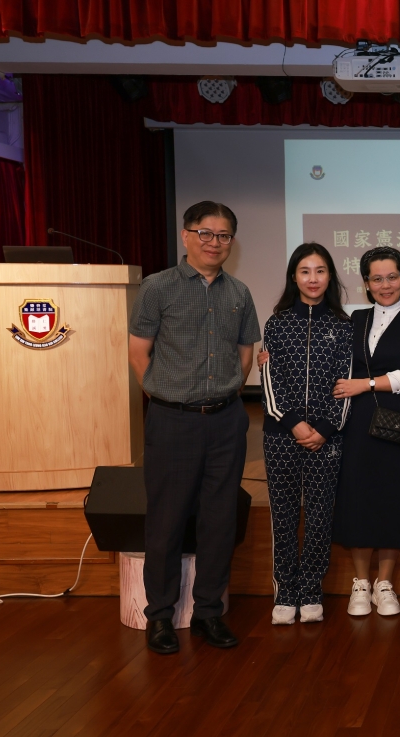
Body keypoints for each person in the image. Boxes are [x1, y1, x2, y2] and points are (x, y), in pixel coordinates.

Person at [128, 201, 260, 654]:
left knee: (219, 521)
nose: (214, 243)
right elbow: (138, 353)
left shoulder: (239, 292)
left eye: (223, 235)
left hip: (226, 421)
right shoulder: (157, 287)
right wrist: (167, 398)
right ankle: (160, 616)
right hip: (172, 421)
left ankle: (208, 612)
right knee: (165, 521)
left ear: (231, 242)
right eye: (205, 233)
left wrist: (224, 395)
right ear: (186, 235)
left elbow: (245, 354)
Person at [331, 247, 400, 617]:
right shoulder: (353, 320)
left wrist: (365, 384)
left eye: (392, 277)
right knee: (358, 498)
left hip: (398, 422)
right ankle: (360, 583)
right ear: (366, 284)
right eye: (376, 278)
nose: (385, 285)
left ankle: (384, 584)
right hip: (356, 423)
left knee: (394, 499)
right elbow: (329, 359)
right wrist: (271, 357)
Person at [258, 243, 353, 626]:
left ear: (330, 276)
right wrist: (294, 423)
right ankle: (285, 591)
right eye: (305, 271)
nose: (313, 279)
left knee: (319, 516)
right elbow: (270, 382)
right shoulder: (276, 323)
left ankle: (311, 590)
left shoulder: (343, 326)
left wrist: (325, 429)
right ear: (294, 277)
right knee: (282, 515)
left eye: (320, 271)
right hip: (281, 435)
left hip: (327, 438)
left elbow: (345, 383)